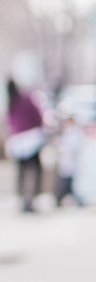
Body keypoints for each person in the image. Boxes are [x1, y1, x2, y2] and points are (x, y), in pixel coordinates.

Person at [6, 80, 46, 213]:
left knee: (21, 172)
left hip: (18, 142)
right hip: (31, 140)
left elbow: (9, 123)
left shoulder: (11, 103)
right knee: (35, 170)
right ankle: (31, 199)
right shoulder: (25, 99)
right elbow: (38, 116)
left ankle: (21, 198)